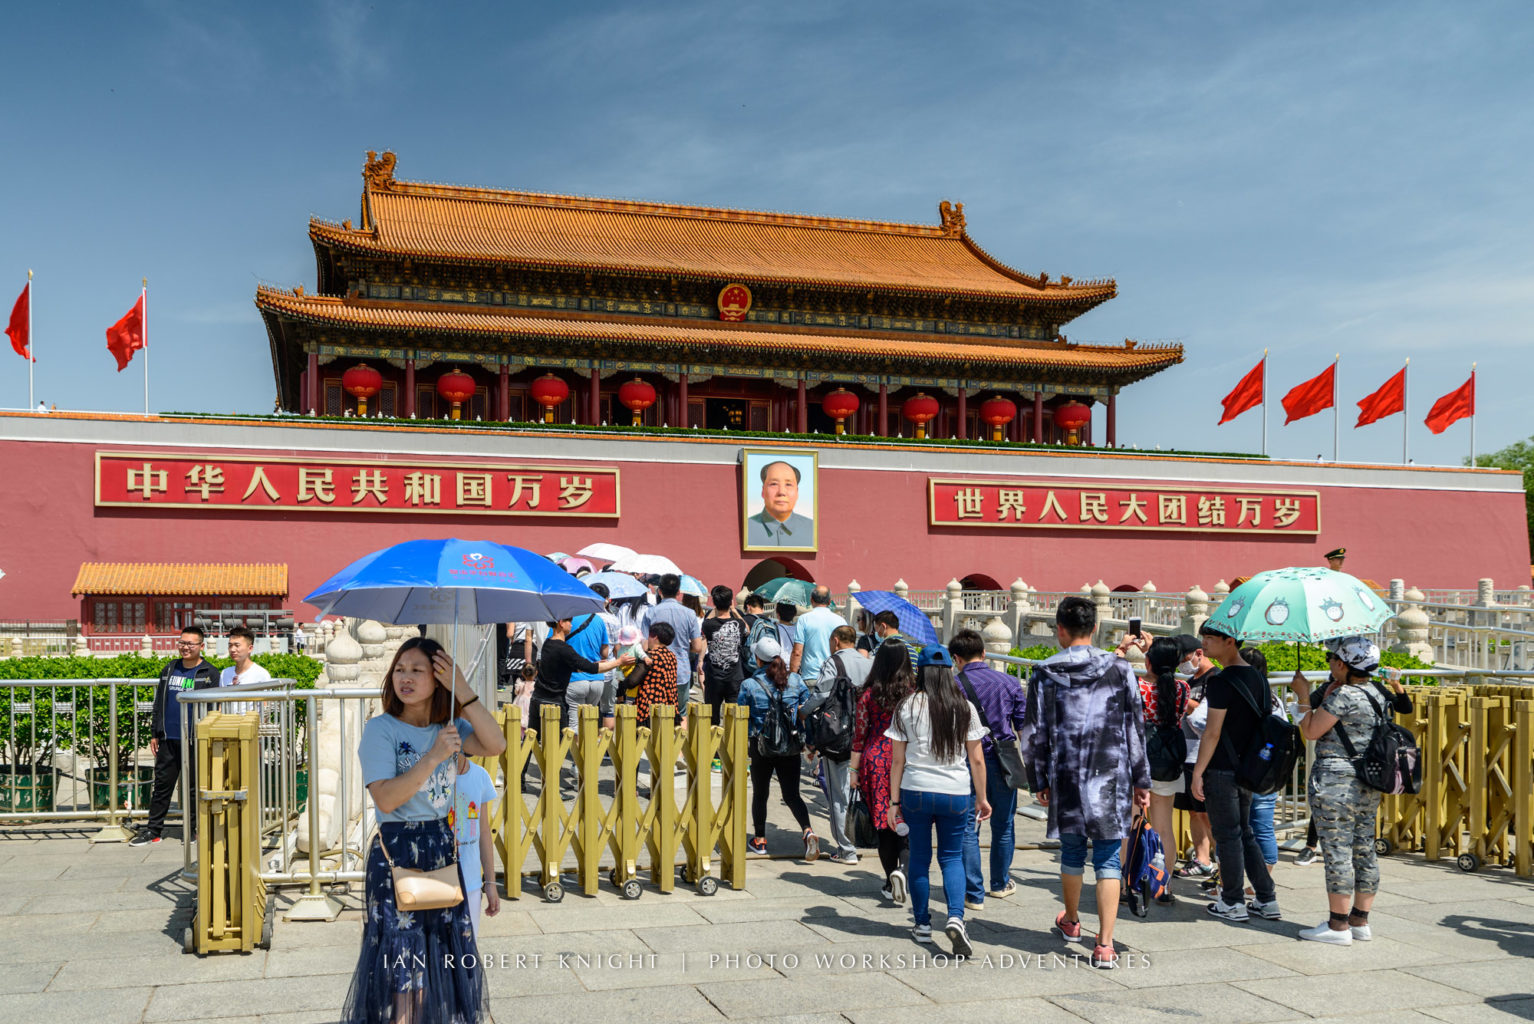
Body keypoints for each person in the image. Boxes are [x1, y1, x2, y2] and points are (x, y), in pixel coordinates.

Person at [344, 637, 505, 1024]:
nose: (406, 677)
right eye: (400, 669)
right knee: (405, 965)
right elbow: (386, 799)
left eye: (418, 670)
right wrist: (434, 756)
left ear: (438, 679)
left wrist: (463, 692)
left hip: (439, 846)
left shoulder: (452, 726)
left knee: (442, 956)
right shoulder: (380, 729)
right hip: (398, 851)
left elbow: (496, 743)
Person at [1021, 596, 1150, 970]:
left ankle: (1073, 921)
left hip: (1066, 775)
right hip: (1111, 776)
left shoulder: (1044, 672)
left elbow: (1033, 734)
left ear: (1059, 629)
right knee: (1109, 858)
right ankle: (1106, 945)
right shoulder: (1120, 669)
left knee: (1073, 852)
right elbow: (1134, 727)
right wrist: (1142, 778)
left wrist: (1037, 778)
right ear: (1094, 628)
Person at [1290, 636, 1405, 945]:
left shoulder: (1343, 696)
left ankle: (1337, 926)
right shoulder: (1377, 693)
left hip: (1337, 781)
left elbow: (1312, 730)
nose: (1329, 663)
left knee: (1337, 851)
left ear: (1341, 664)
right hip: (1368, 781)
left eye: (1332, 659)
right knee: (1364, 848)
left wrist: (1303, 695)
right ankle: (1360, 920)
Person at [886, 645, 990, 957]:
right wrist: (982, 798)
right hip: (956, 792)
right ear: (949, 670)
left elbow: (897, 762)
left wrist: (893, 803)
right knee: (951, 857)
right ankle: (956, 917)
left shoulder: (907, 706)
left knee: (919, 858)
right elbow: (977, 760)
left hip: (916, 790)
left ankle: (922, 925)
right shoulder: (964, 707)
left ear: (921, 672)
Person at [1189, 621, 1281, 923]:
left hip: (1222, 769)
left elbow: (1212, 733)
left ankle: (1233, 901)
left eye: (1210, 638)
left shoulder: (1221, 682)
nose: (1205, 644)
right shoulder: (1258, 678)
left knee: (1228, 835)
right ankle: (1266, 899)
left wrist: (1198, 772)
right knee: (1245, 833)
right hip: (1250, 769)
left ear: (1230, 641)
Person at [950, 628, 1028, 905]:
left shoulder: (953, 686)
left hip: (965, 761)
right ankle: (999, 882)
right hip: (1003, 760)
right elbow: (1023, 728)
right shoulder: (1009, 682)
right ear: (984, 654)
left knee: (969, 826)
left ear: (955, 658)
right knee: (1004, 824)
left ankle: (973, 892)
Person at [134, 626, 222, 846]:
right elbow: (159, 702)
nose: (185, 647)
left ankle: (193, 830)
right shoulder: (169, 669)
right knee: (162, 786)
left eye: (191, 644)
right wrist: (156, 732)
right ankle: (153, 830)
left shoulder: (210, 673)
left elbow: (213, 707)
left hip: (195, 738)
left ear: (201, 646)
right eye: (182, 643)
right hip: (169, 738)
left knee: (194, 787)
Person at [737, 634, 818, 859]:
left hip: (761, 747)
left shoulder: (749, 685)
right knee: (792, 794)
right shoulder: (795, 681)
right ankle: (808, 831)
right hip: (790, 746)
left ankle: (760, 840)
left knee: (760, 794)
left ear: (758, 660)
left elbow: (740, 717)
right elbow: (806, 709)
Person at [852, 640, 914, 904]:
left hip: (876, 760)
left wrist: (853, 771)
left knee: (883, 825)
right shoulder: (913, 694)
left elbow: (859, 735)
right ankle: (904, 871)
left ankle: (890, 880)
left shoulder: (869, 694)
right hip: (908, 759)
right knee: (907, 822)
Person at [1134, 637, 1191, 904]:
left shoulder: (1138, 686)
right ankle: (1164, 886)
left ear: (1148, 662)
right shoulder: (1183, 689)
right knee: (1164, 829)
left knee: (1132, 828)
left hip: (1139, 764)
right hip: (1169, 764)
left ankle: (1129, 884)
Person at [809, 624, 871, 864]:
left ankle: (846, 849)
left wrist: (804, 712)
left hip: (839, 736)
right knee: (855, 790)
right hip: (864, 733)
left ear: (835, 640)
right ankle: (861, 837)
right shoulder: (869, 663)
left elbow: (821, 694)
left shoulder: (833, 662)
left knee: (838, 793)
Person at [1173, 633, 1218, 880]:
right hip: (1186, 752)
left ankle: (1222, 864)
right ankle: (1202, 859)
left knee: (1207, 812)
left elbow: (1206, 716)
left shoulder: (1216, 679)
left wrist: (1184, 699)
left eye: (1186, 658)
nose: (1183, 663)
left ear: (1199, 653)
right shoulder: (1191, 679)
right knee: (1192, 810)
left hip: (1202, 754)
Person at [451, 752, 500, 940]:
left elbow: (484, 832)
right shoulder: (432, 777)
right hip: (438, 879)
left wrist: (490, 882)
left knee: (467, 947)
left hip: (471, 882)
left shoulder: (480, 776)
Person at [648, 574, 705, 708]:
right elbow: (697, 647)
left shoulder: (650, 612)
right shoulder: (689, 613)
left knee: (657, 714)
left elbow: (646, 644)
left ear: (660, 591)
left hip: (656, 668)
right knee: (682, 713)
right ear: (679, 592)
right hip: (681, 669)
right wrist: (684, 645)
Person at [563, 584, 615, 730]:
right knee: (590, 721)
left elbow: (554, 642)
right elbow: (605, 653)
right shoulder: (598, 620)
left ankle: (577, 752)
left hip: (574, 678)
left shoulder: (568, 619)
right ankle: (589, 751)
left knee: (574, 721)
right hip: (597, 679)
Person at [701, 584, 750, 727]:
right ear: (730, 602)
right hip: (735, 676)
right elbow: (747, 629)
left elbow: (706, 621)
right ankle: (732, 746)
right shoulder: (739, 624)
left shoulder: (708, 625)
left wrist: (715, 608)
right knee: (734, 716)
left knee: (712, 716)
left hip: (714, 676)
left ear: (715, 603)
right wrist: (734, 610)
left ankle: (713, 747)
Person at [745, 458, 814, 546]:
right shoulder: (746, 528)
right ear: (763, 491)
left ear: (797, 492)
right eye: (774, 484)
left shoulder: (813, 529)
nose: (781, 492)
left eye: (788, 484)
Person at [633, 622, 681, 722]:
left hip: (649, 706)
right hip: (669, 705)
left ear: (655, 637)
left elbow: (633, 680)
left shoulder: (650, 656)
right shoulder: (671, 656)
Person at [219, 625, 272, 715]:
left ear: (250, 648)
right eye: (230, 645)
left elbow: (265, 707)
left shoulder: (261, 674)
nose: (232, 649)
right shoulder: (225, 673)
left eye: (237, 645)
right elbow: (221, 703)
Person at [796, 585, 847, 680]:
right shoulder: (841, 621)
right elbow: (846, 651)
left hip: (810, 676)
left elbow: (797, 652)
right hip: (833, 676)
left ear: (811, 600)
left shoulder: (804, 619)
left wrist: (792, 675)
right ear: (829, 601)